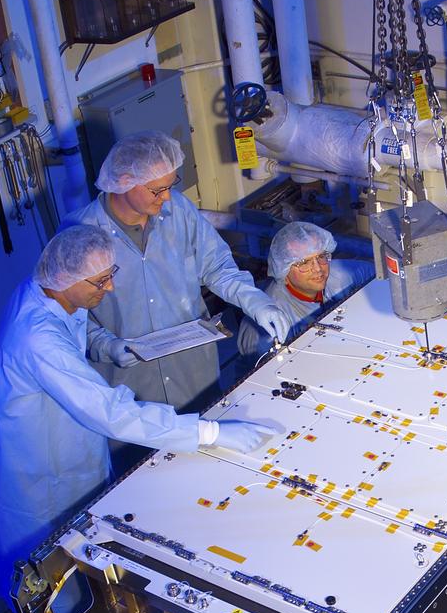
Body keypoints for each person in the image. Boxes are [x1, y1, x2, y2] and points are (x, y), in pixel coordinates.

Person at [0, 226, 279, 602]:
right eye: (100, 282)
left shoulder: (53, 295)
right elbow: (111, 413)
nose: (110, 289)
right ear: (66, 279)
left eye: (110, 277)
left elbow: (76, 336)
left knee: (84, 557)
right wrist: (209, 433)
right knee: (52, 588)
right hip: (40, 480)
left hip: (72, 451)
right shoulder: (37, 338)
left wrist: (108, 346)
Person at [66, 131, 293, 410]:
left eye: (170, 186)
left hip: (194, 375)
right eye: (156, 190)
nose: (167, 198)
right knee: (144, 454)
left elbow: (217, 266)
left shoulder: (179, 212)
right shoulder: (79, 235)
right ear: (124, 183)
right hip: (130, 388)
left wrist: (255, 302)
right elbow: (69, 317)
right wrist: (105, 345)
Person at [237, 222, 374, 357]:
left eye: (321, 256)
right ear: (283, 271)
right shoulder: (267, 322)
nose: (318, 268)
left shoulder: (340, 275)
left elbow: (381, 275)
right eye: (304, 263)